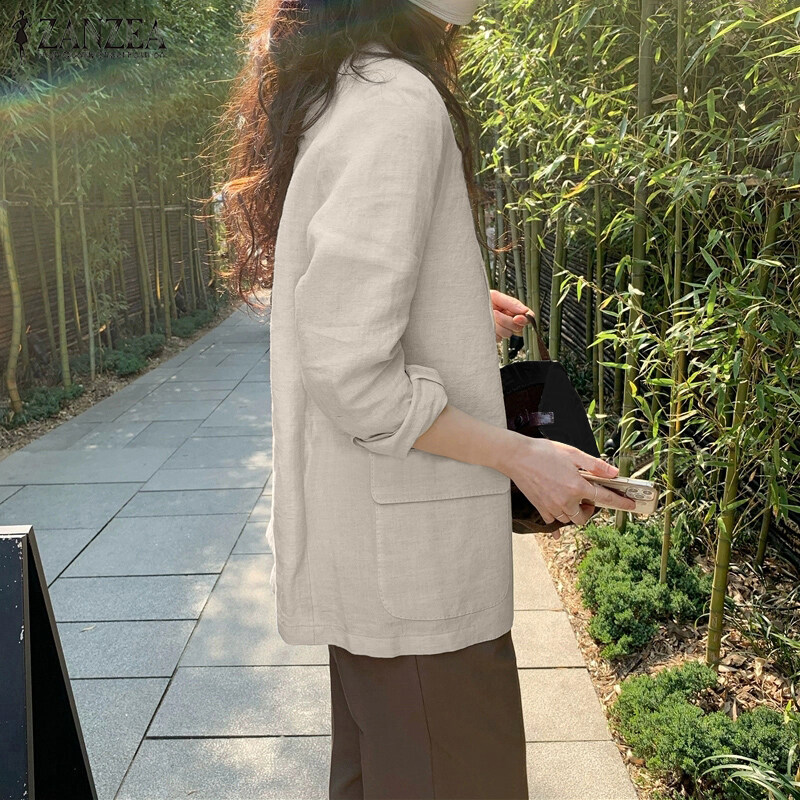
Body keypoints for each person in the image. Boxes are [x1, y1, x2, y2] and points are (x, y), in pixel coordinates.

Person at [219, 1, 637, 798]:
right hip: (414, 579)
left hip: (381, 560)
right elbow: (350, 371)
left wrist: (451, 307)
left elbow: (337, 302)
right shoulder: (396, 102)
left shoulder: (352, 84)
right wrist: (522, 456)